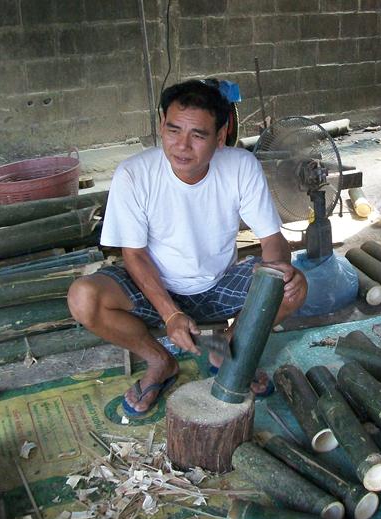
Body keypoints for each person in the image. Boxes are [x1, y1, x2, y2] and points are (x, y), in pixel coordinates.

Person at [68, 79, 307, 415]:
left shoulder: (241, 166)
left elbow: (271, 239)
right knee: (83, 297)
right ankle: (160, 362)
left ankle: (225, 349)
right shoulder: (134, 174)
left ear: (221, 136)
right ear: (161, 124)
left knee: (293, 286)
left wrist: (279, 273)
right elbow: (133, 255)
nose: (181, 146)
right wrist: (172, 314)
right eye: (173, 130)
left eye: (197, 135)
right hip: (154, 290)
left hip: (219, 284)